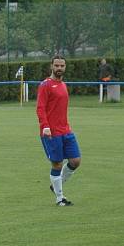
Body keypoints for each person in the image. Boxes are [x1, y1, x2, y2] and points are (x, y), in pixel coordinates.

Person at [37, 55, 80, 206]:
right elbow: (40, 108)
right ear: (51, 66)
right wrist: (45, 127)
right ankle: (60, 198)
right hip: (51, 132)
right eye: (57, 66)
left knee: (75, 161)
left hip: (66, 130)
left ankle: (56, 184)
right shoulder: (45, 85)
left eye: (62, 66)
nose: (59, 68)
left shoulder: (63, 85)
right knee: (57, 164)